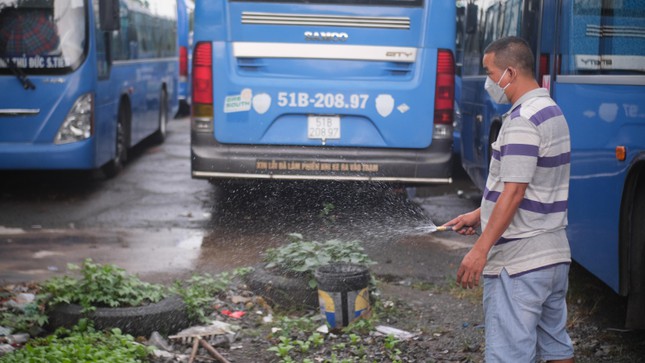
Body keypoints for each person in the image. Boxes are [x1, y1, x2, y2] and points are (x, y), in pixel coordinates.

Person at [444, 36, 575, 363]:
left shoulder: (521, 122)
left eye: (490, 74)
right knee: (556, 348)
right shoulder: (551, 111)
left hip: (519, 264)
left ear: (511, 73)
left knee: (509, 356)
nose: (489, 82)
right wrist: (480, 213)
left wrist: (480, 250)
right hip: (553, 257)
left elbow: (515, 191)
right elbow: (527, 185)